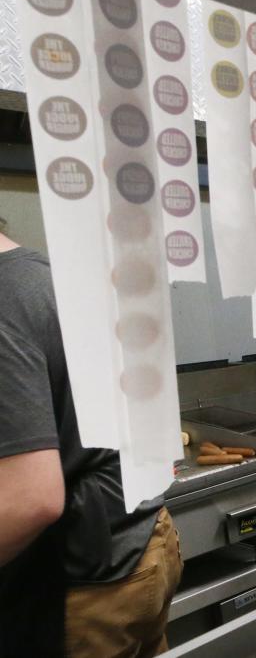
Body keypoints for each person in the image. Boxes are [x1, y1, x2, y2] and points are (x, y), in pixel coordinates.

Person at [0, 232, 182, 657]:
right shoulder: (45, 277)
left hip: (90, 579)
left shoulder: (5, 298)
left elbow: (31, 498)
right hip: (144, 539)